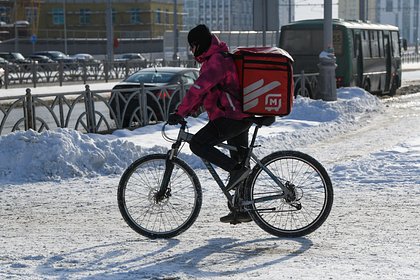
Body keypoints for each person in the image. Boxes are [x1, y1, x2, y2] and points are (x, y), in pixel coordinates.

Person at [167, 24, 253, 224]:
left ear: (199, 44)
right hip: (239, 116)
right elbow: (207, 92)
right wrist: (191, 109)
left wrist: (180, 111)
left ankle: (234, 170)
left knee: (198, 144)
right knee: (242, 162)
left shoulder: (216, 61)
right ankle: (243, 208)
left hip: (230, 118)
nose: (191, 50)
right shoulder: (218, 58)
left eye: (192, 46)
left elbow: (198, 88)